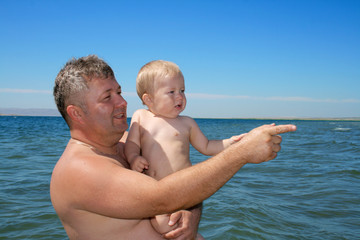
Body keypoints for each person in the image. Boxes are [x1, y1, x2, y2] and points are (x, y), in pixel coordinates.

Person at [50, 55, 296, 240]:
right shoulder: (80, 168)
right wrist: (242, 152)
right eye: (107, 97)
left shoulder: (128, 144)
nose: (122, 102)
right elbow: (163, 198)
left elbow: (182, 185)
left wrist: (191, 212)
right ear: (77, 113)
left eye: (119, 92)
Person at [125, 60, 246, 236]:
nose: (180, 96)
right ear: (148, 99)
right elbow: (132, 143)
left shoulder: (187, 123)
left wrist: (230, 143)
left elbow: (206, 146)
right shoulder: (141, 117)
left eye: (182, 90)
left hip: (186, 190)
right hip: (158, 192)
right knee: (166, 226)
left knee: (181, 228)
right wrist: (133, 158)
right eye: (171, 92)